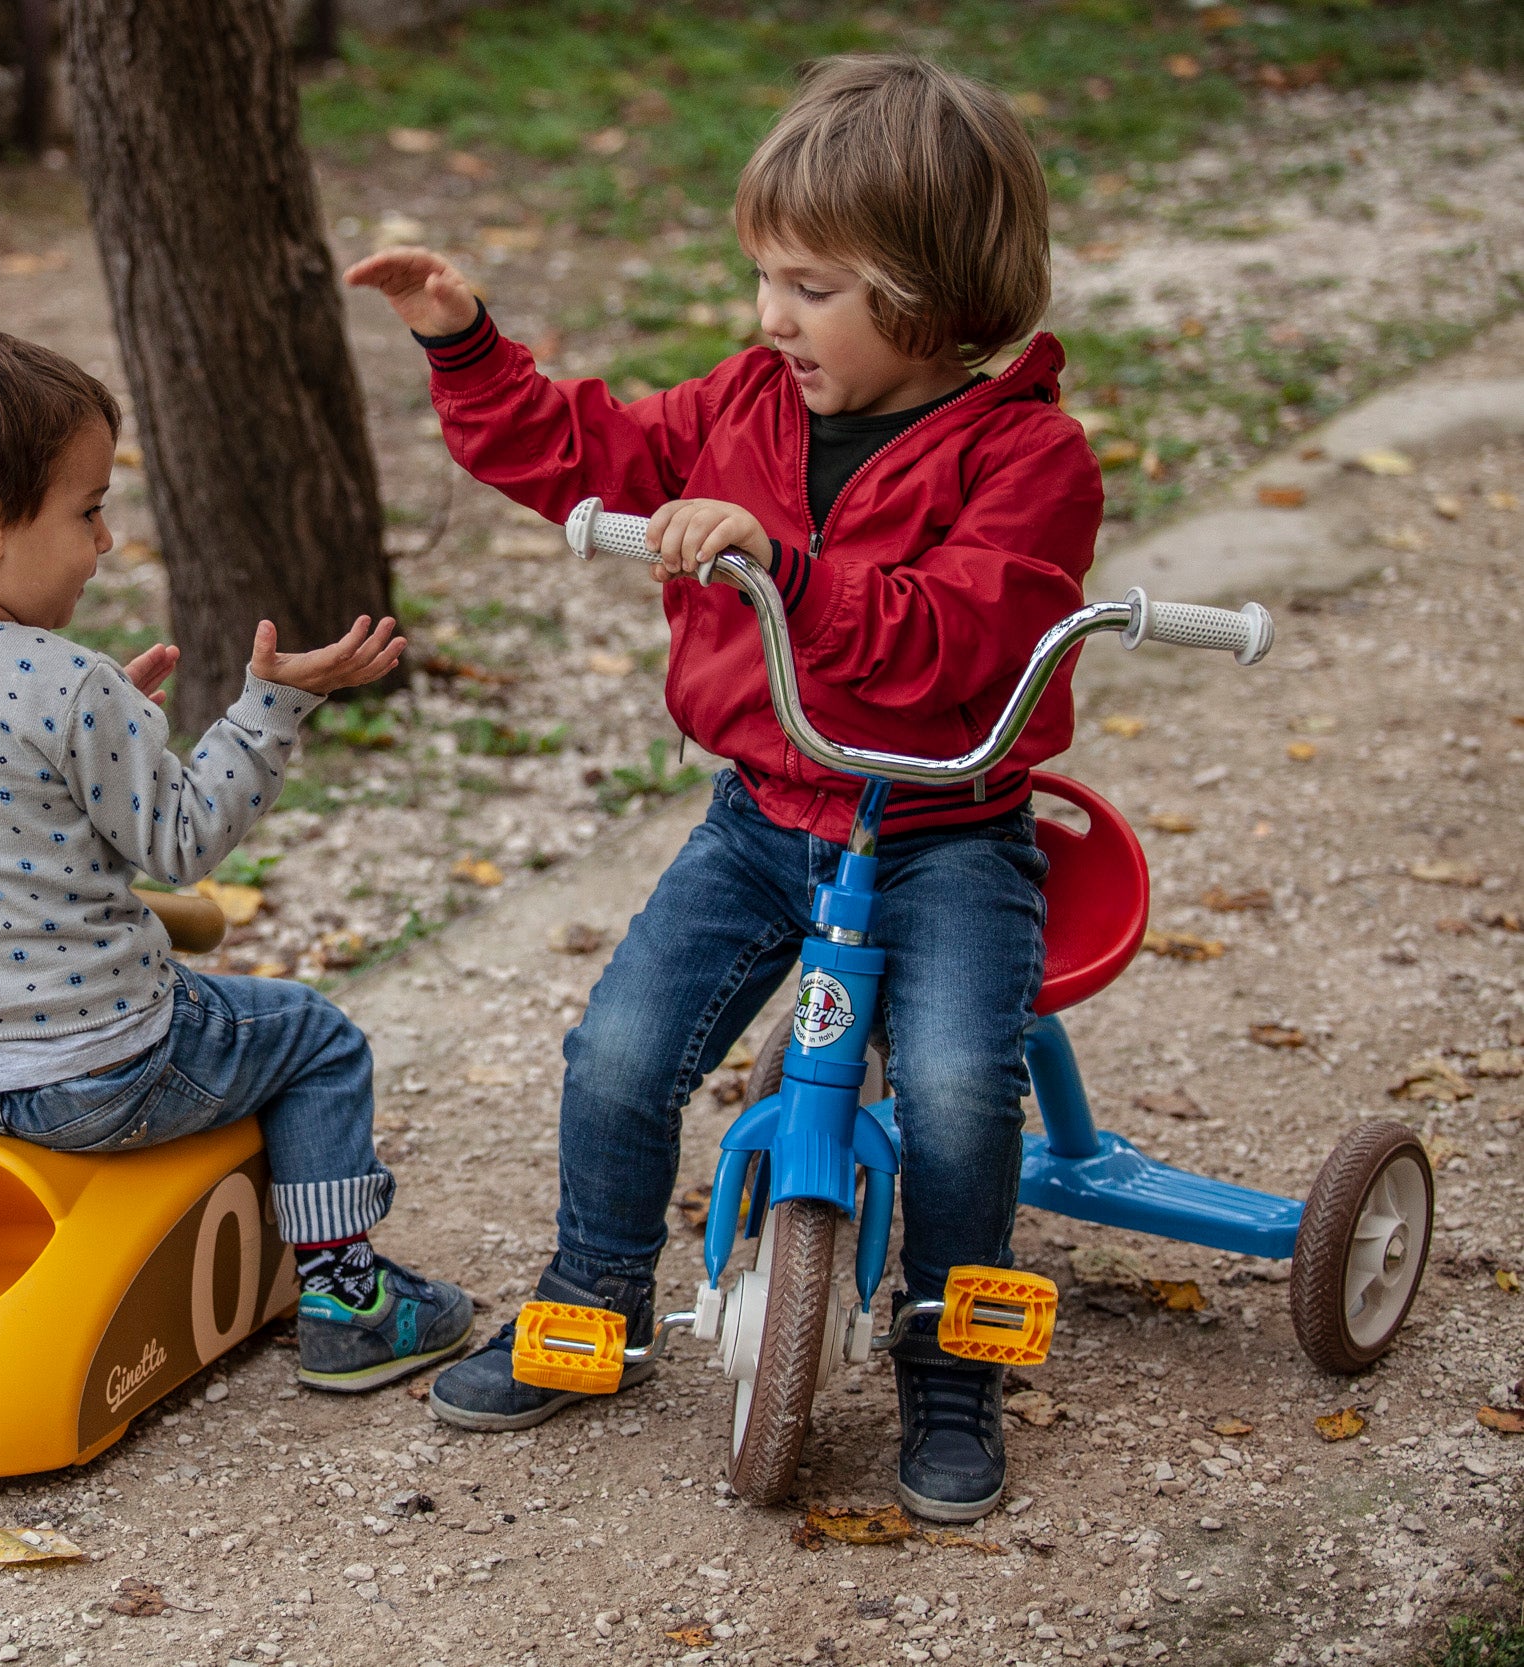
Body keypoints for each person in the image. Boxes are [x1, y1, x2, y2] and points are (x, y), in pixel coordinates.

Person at [345, 54, 1100, 1519]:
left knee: (955, 1091)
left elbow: (950, 641)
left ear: (934, 292)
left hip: (942, 833)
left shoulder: (1030, 459)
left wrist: (779, 563)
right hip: (766, 819)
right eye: (764, 276)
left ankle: (951, 1357)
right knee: (619, 1053)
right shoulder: (746, 401)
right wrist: (464, 343)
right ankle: (596, 1301)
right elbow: (587, 454)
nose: (770, 315)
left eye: (812, 286)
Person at [0, 323, 472, 1392]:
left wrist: (88, 753)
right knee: (318, 1039)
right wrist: (275, 707)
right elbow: (185, 840)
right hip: (97, 1072)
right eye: (89, 510)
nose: (105, 540)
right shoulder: (68, 683)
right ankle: (348, 1293)